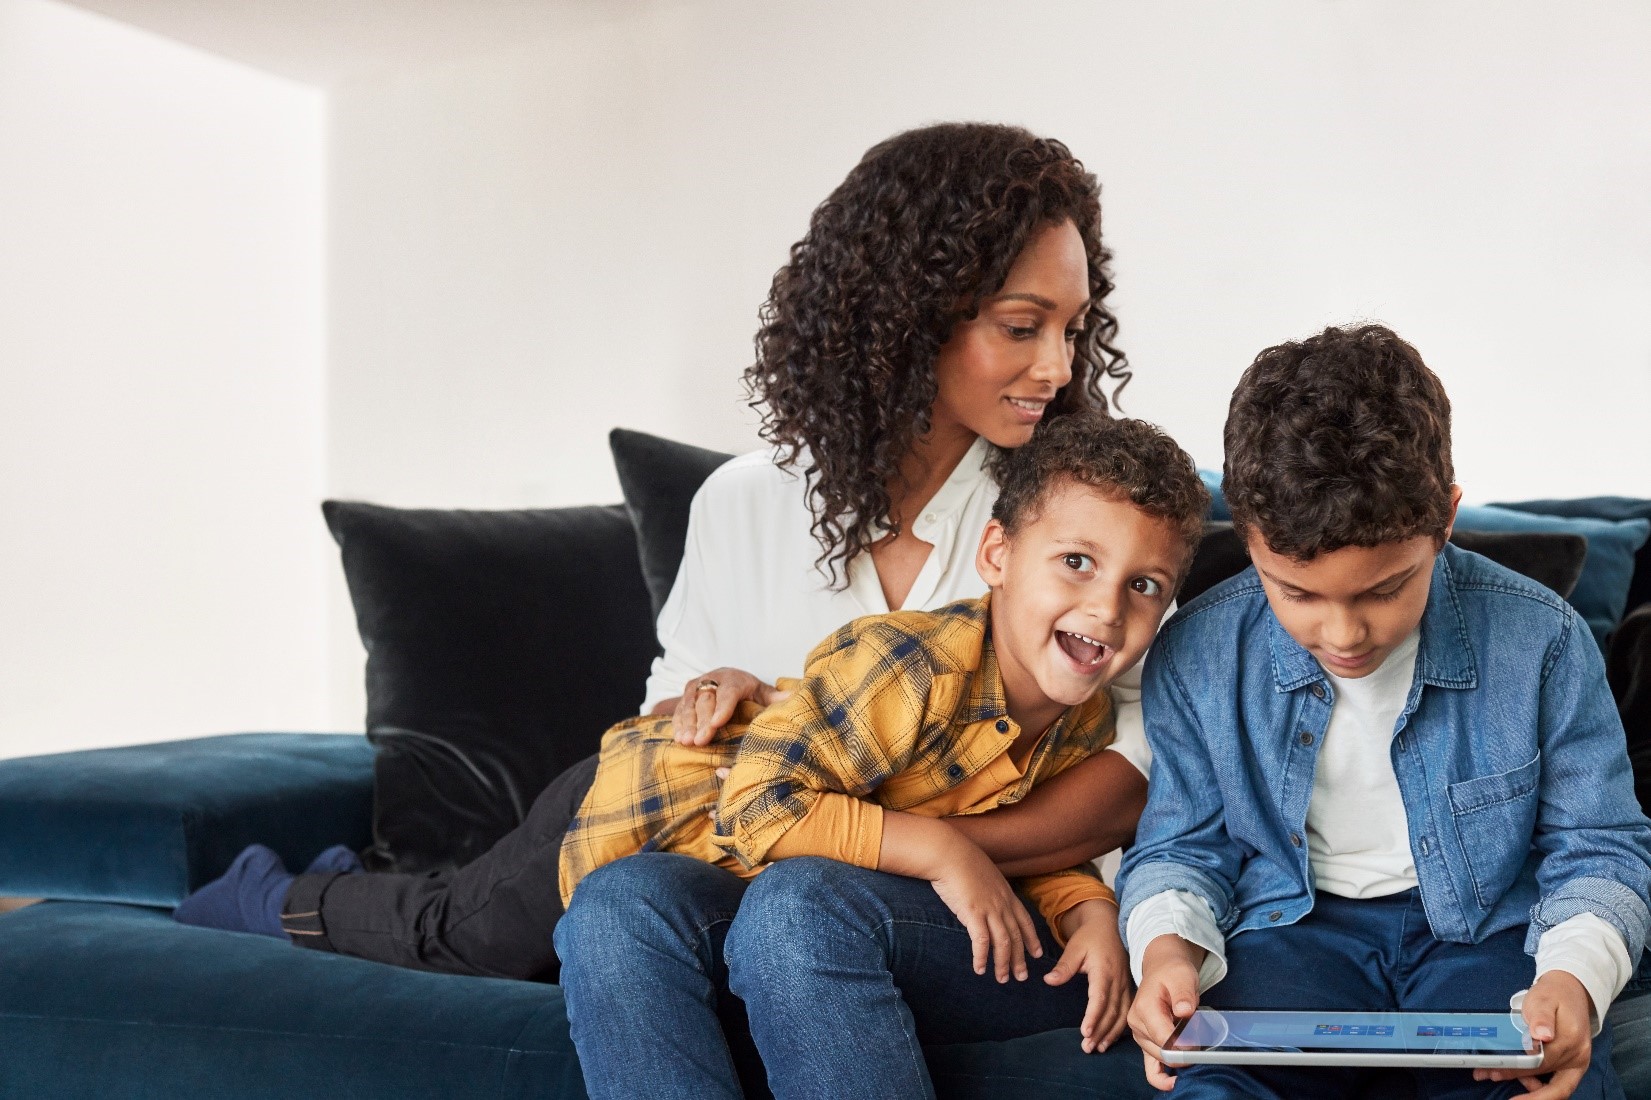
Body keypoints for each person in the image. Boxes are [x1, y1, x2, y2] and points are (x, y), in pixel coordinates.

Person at [174, 122, 1155, 982]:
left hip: (820, 891)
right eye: (1021, 327)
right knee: (465, 934)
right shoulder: (746, 501)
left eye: (1073, 329)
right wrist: (719, 693)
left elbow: (1133, 772)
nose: (1057, 365)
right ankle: (273, 893)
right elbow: (668, 726)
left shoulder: (1068, 528)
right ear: (908, 316)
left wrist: (922, 845)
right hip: (673, 819)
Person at [556, 412, 1205, 1100]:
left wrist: (1088, 909)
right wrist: (944, 852)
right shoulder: (908, 666)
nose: (1107, 608)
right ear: (996, 556)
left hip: (853, 919)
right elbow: (755, 801)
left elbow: (1034, 841)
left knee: (798, 904)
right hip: (724, 862)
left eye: (1144, 586)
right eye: (1076, 562)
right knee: (616, 901)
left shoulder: (1087, 720)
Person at [1119, 324, 1651, 1099]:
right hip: (1287, 933)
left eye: (1383, 590)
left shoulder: (1543, 641)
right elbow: (1181, 847)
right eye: (1296, 593)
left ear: (1445, 520)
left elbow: (1597, 847)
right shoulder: (1199, 652)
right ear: (1247, 537)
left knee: (1544, 1083)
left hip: (1488, 936)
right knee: (1214, 1084)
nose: (1342, 634)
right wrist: (1165, 951)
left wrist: (1573, 979)